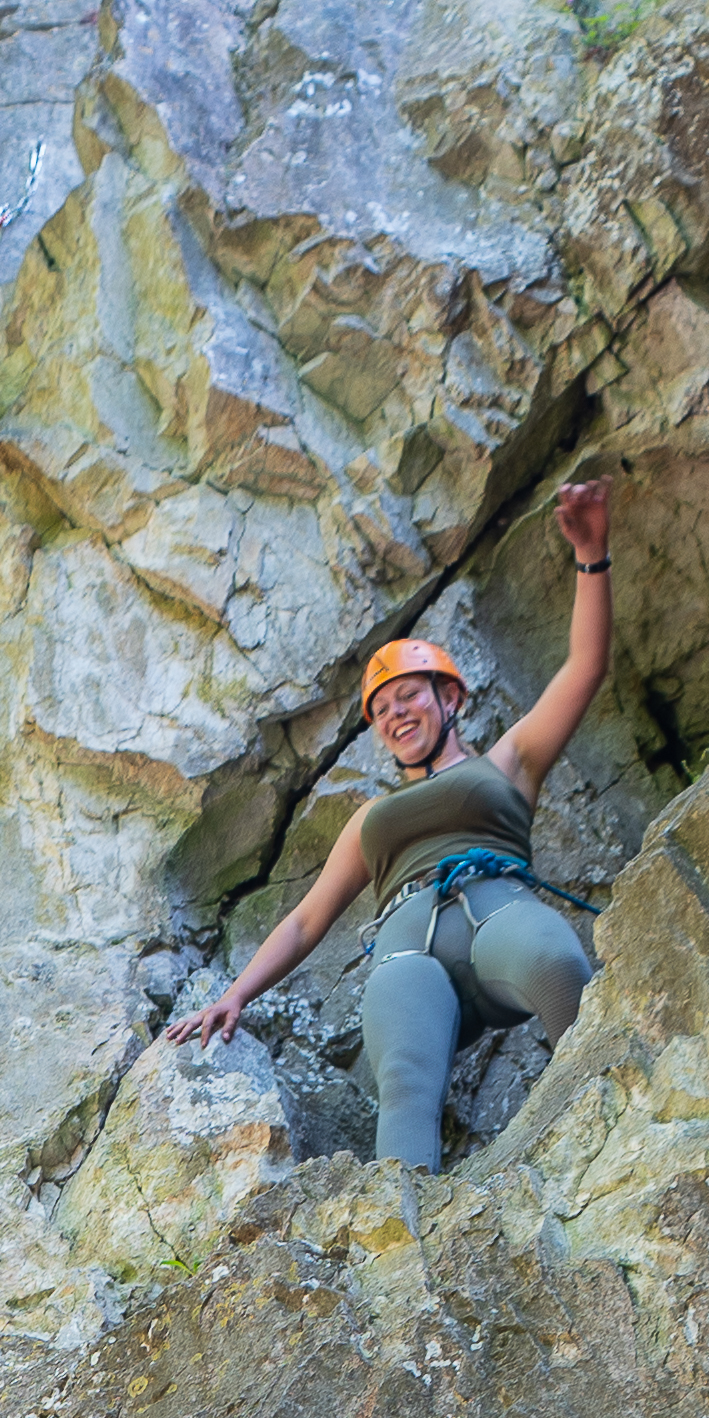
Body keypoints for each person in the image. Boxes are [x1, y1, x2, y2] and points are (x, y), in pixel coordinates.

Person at [175, 483, 623, 1170]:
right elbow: (304, 922)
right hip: (404, 947)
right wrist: (233, 996)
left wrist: (591, 554)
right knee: (405, 1094)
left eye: (408, 695)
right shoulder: (368, 820)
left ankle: (618, 1123)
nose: (394, 714)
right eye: (381, 710)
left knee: (558, 965)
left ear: (450, 697)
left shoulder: (509, 762)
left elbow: (584, 669)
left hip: (494, 910)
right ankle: (410, 1251)